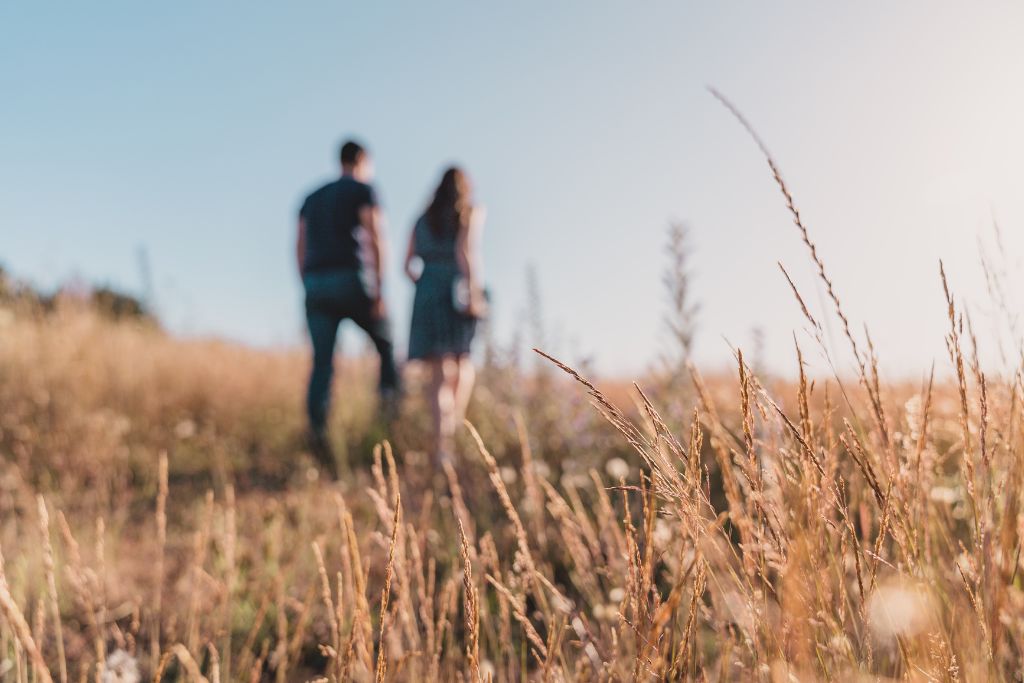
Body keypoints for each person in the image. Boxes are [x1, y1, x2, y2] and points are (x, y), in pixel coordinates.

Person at [296, 140, 398, 472]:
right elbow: (376, 234)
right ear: (362, 161)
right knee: (386, 345)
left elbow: (298, 245)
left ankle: (317, 435)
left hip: (315, 283)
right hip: (351, 279)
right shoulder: (364, 189)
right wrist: (380, 288)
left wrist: (306, 284)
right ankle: (388, 423)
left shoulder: (310, 198)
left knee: (322, 362)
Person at [404, 167, 486, 463]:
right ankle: (452, 431)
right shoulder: (470, 212)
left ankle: (441, 447)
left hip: (426, 290)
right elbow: (467, 251)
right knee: (462, 360)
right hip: (455, 288)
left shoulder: (421, 219)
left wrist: (426, 287)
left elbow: (407, 264)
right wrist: (474, 293)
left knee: (438, 374)